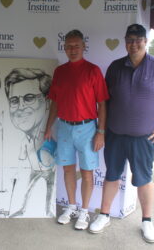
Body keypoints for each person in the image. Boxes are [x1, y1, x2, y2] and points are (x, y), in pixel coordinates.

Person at [89, 24, 154, 243]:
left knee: (144, 179)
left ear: (146, 41)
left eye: (138, 39)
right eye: (130, 40)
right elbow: (104, 101)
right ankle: (104, 215)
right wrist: (101, 130)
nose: (134, 44)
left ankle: (147, 221)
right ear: (125, 41)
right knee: (112, 175)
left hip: (144, 138)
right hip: (115, 134)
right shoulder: (115, 67)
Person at [44, 29, 109, 230]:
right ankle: (71, 206)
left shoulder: (93, 71)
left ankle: (84, 211)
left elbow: (102, 105)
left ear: (84, 47)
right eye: (69, 46)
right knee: (68, 170)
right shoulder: (60, 72)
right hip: (64, 127)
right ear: (64, 48)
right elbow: (54, 102)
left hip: (88, 128)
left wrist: (101, 131)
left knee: (88, 173)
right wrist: (48, 128)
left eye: (76, 46)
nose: (72, 50)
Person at [4, 68, 55, 218]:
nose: (20, 107)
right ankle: (22, 209)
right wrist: (16, 173)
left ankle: (47, 210)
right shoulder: (24, 141)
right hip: (34, 170)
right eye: (14, 100)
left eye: (29, 98)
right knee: (27, 189)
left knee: (50, 190)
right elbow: (20, 161)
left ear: (47, 101)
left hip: (48, 171)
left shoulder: (48, 135)